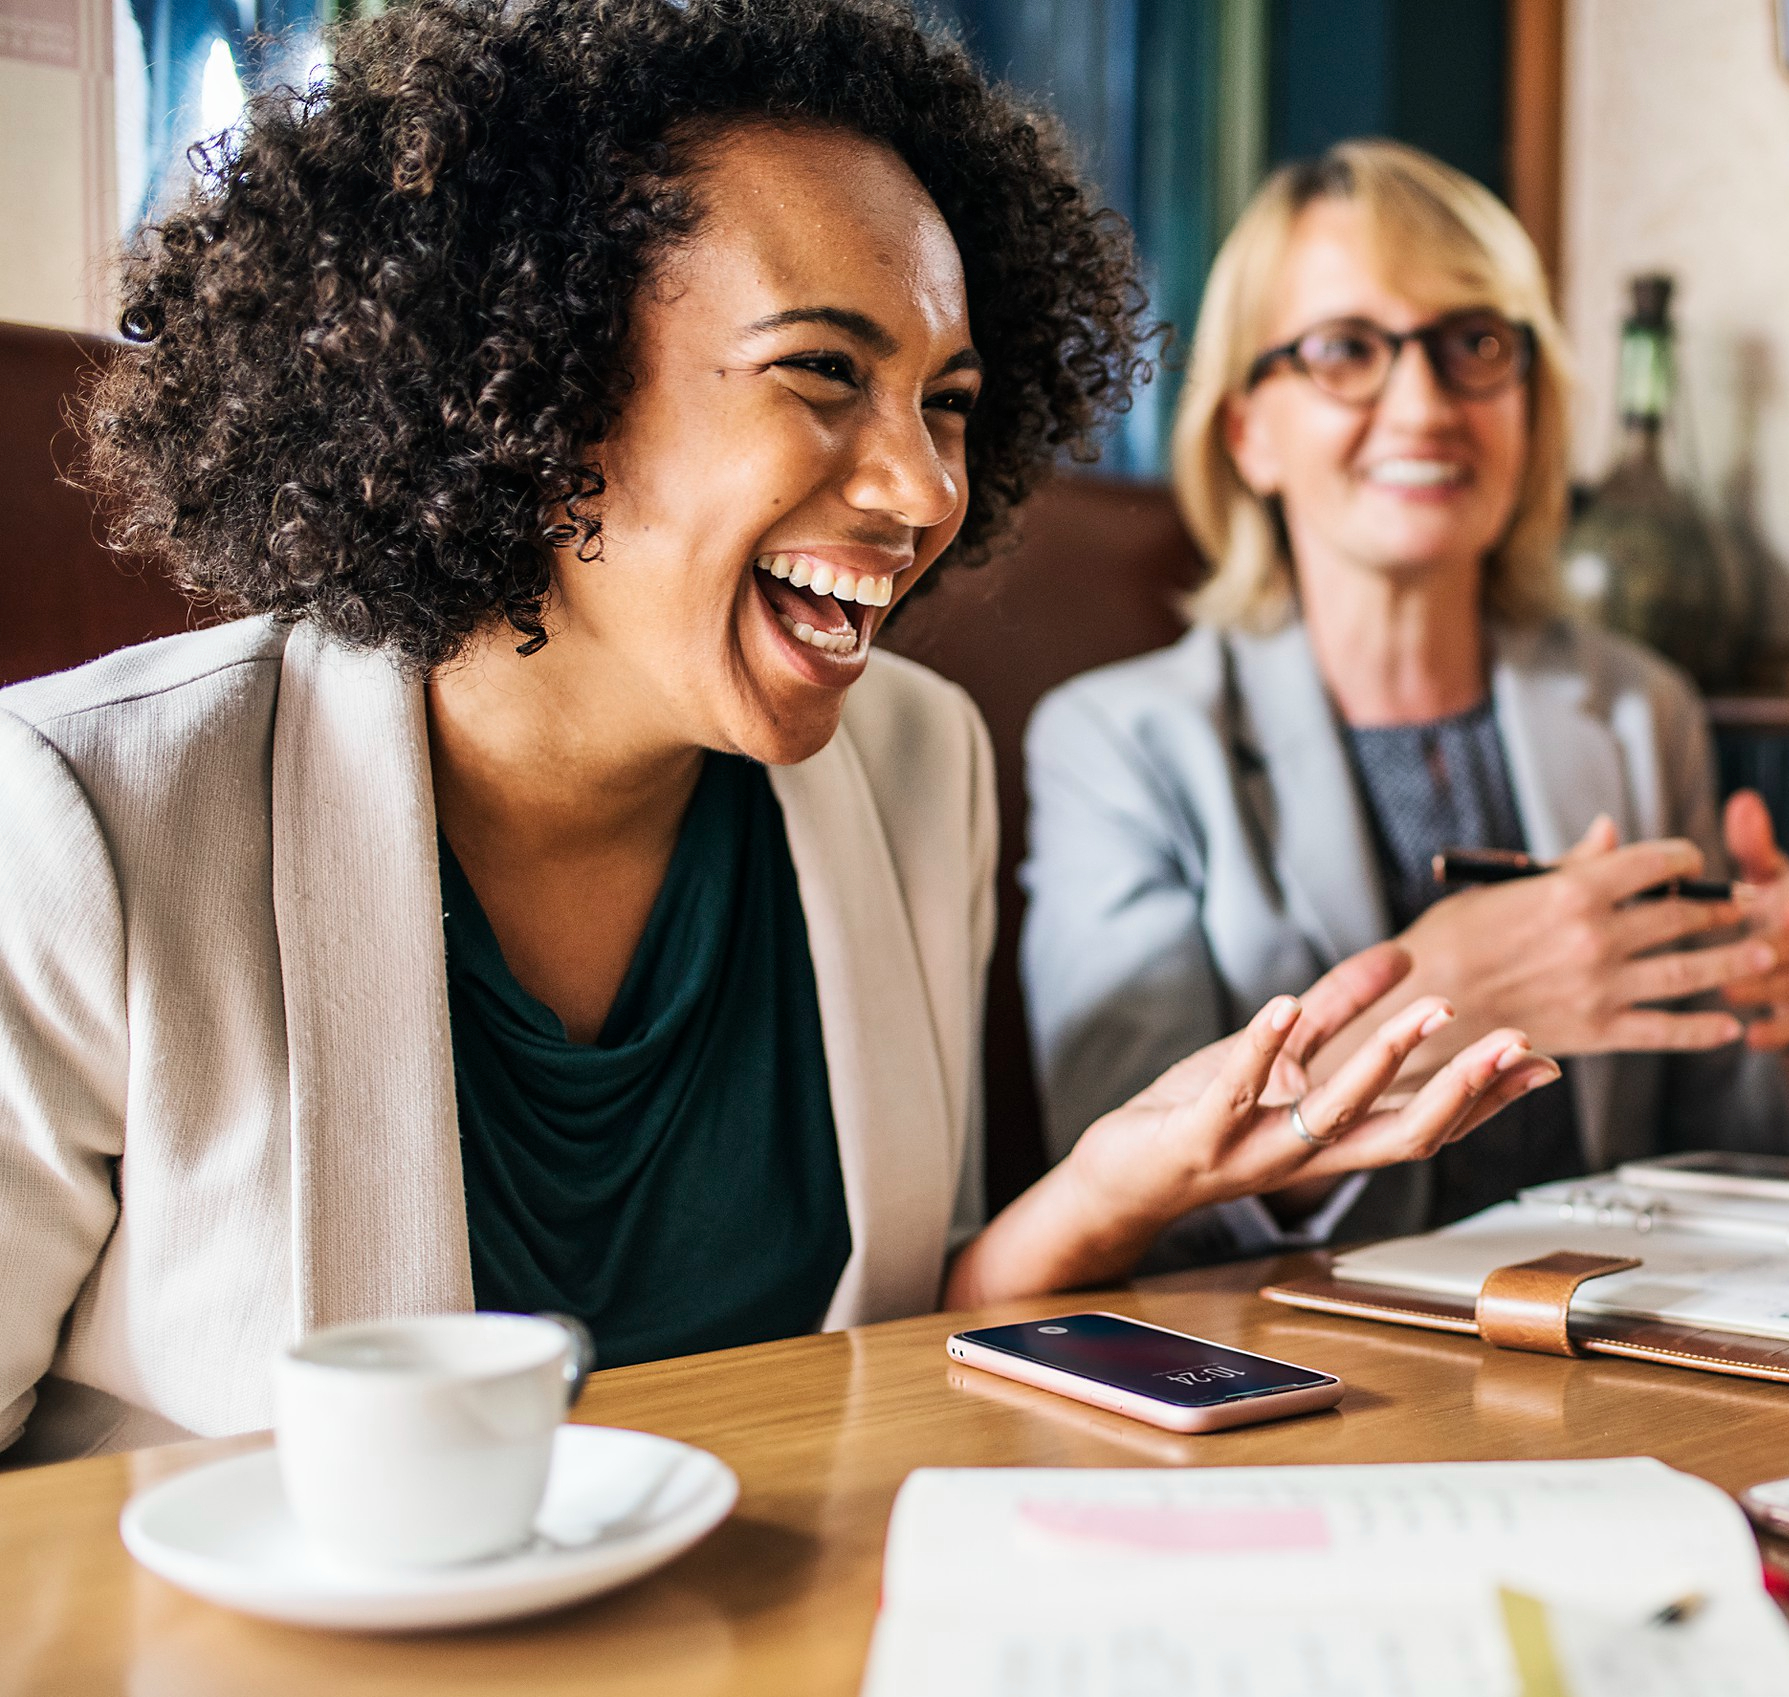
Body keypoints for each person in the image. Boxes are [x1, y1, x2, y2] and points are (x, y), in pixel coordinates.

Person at [0, 8, 1553, 1463]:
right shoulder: (83, 820)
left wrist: (1104, 1187)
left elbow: (871, 1342)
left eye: (946, 402)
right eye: (823, 371)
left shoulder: (917, 766)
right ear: (532, 383)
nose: (925, 488)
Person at [1021, 139, 1789, 1270]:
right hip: (1296, 1386)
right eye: (1344, 349)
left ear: (1527, 402)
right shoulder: (1116, 743)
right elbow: (1128, 1191)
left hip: (1608, 1357)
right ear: (1249, 432)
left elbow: (1717, 1156)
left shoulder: (1639, 710)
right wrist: (1442, 998)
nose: (1425, 403)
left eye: (1473, 343)